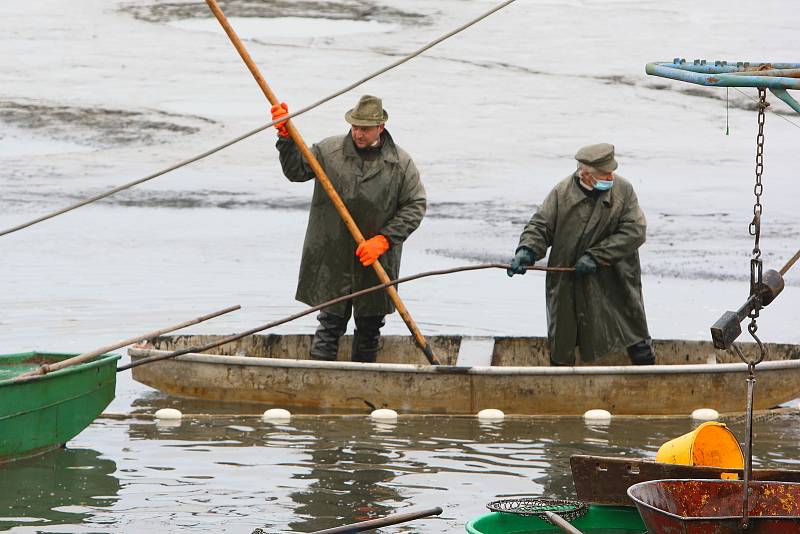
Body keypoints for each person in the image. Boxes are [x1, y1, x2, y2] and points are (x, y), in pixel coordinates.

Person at [271, 95, 426, 363]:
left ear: (381, 127)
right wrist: (286, 138)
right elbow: (295, 171)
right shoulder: (328, 152)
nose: (358, 133)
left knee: (369, 330)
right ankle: (319, 382)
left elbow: (415, 205)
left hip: (375, 260)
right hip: (332, 257)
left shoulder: (400, 164)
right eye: (355, 126)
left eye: (365, 128)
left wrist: (384, 239)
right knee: (329, 325)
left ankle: (363, 383)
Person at [506, 143, 654, 366]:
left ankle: (648, 376)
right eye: (605, 174)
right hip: (569, 279)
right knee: (564, 338)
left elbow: (635, 231)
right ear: (585, 174)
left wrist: (597, 256)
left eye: (612, 171)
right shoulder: (561, 193)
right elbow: (540, 226)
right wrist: (526, 251)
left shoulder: (623, 190)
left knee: (633, 332)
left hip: (615, 277)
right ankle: (562, 385)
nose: (610, 177)